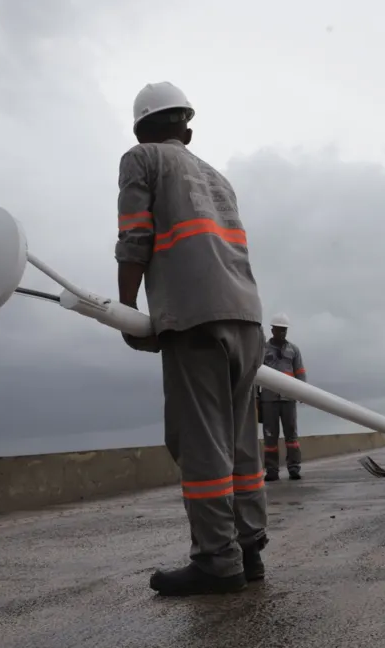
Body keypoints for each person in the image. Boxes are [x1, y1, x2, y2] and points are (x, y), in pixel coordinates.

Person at [115, 81, 268, 597]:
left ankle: (215, 561)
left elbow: (135, 235)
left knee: (201, 442)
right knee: (241, 440)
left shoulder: (141, 159)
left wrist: (126, 309)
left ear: (140, 128)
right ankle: (248, 550)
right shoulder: (218, 177)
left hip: (195, 318)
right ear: (188, 126)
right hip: (246, 318)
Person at [258, 313, 307, 481]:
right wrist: (256, 398)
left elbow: (299, 372)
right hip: (269, 399)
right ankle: (272, 471)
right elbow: (256, 374)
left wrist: (302, 392)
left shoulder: (294, 350)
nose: (282, 333)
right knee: (270, 436)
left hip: (288, 399)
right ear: (272, 330)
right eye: (279, 330)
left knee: (291, 436)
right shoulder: (262, 350)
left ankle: (294, 468)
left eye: (284, 330)